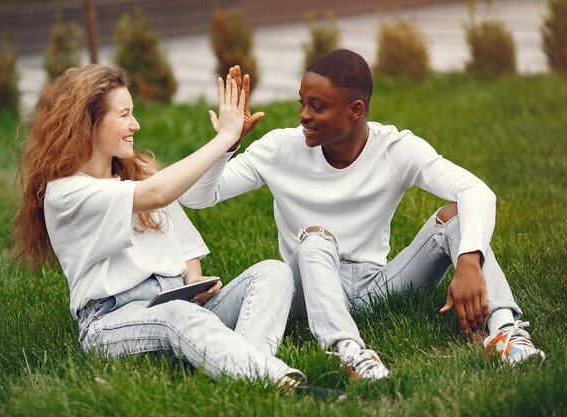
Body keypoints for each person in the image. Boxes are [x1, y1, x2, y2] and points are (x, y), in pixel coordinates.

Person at [180, 49, 546, 380]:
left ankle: (504, 332)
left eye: (317, 106)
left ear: (354, 109)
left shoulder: (395, 149)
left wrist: (468, 260)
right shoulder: (280, 148)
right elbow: (199, 196)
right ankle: (349, 352)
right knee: (314, 237)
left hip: (376, 287)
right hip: (308, 291)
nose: (303, 115)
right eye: (302, 103)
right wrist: (226, 143)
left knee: (457, 218)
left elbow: (476, 190)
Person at [10, 64, 345, 399]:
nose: (135, 124)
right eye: (125, 115)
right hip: (112, 319)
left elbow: (185, 245)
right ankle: (283, 382)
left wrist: (193, 281)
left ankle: (243, 368)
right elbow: (158, 193)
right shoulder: (66, 194)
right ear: (88, 123)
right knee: (177, 315)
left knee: (273, 273)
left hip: (179, 301)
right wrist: (225, 139)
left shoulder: (138, 171)